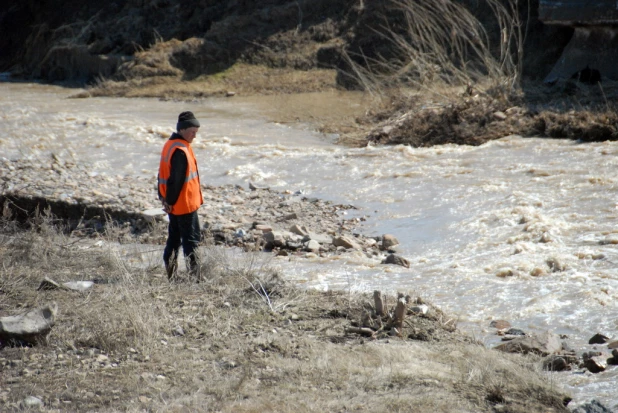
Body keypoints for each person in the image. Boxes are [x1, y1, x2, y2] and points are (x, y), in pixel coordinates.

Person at [157, 111, 204, 281]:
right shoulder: (180, 150)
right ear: (183, 130)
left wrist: (164, 200)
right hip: (184, 204)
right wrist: (168, 201)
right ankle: (195, 279)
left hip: (175, 204)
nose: (195, 136)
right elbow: (174, 181)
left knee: (174, 240)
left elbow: (161, 175)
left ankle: (172, 276)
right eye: (193, 132)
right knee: (191, 242)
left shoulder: (170, 145)